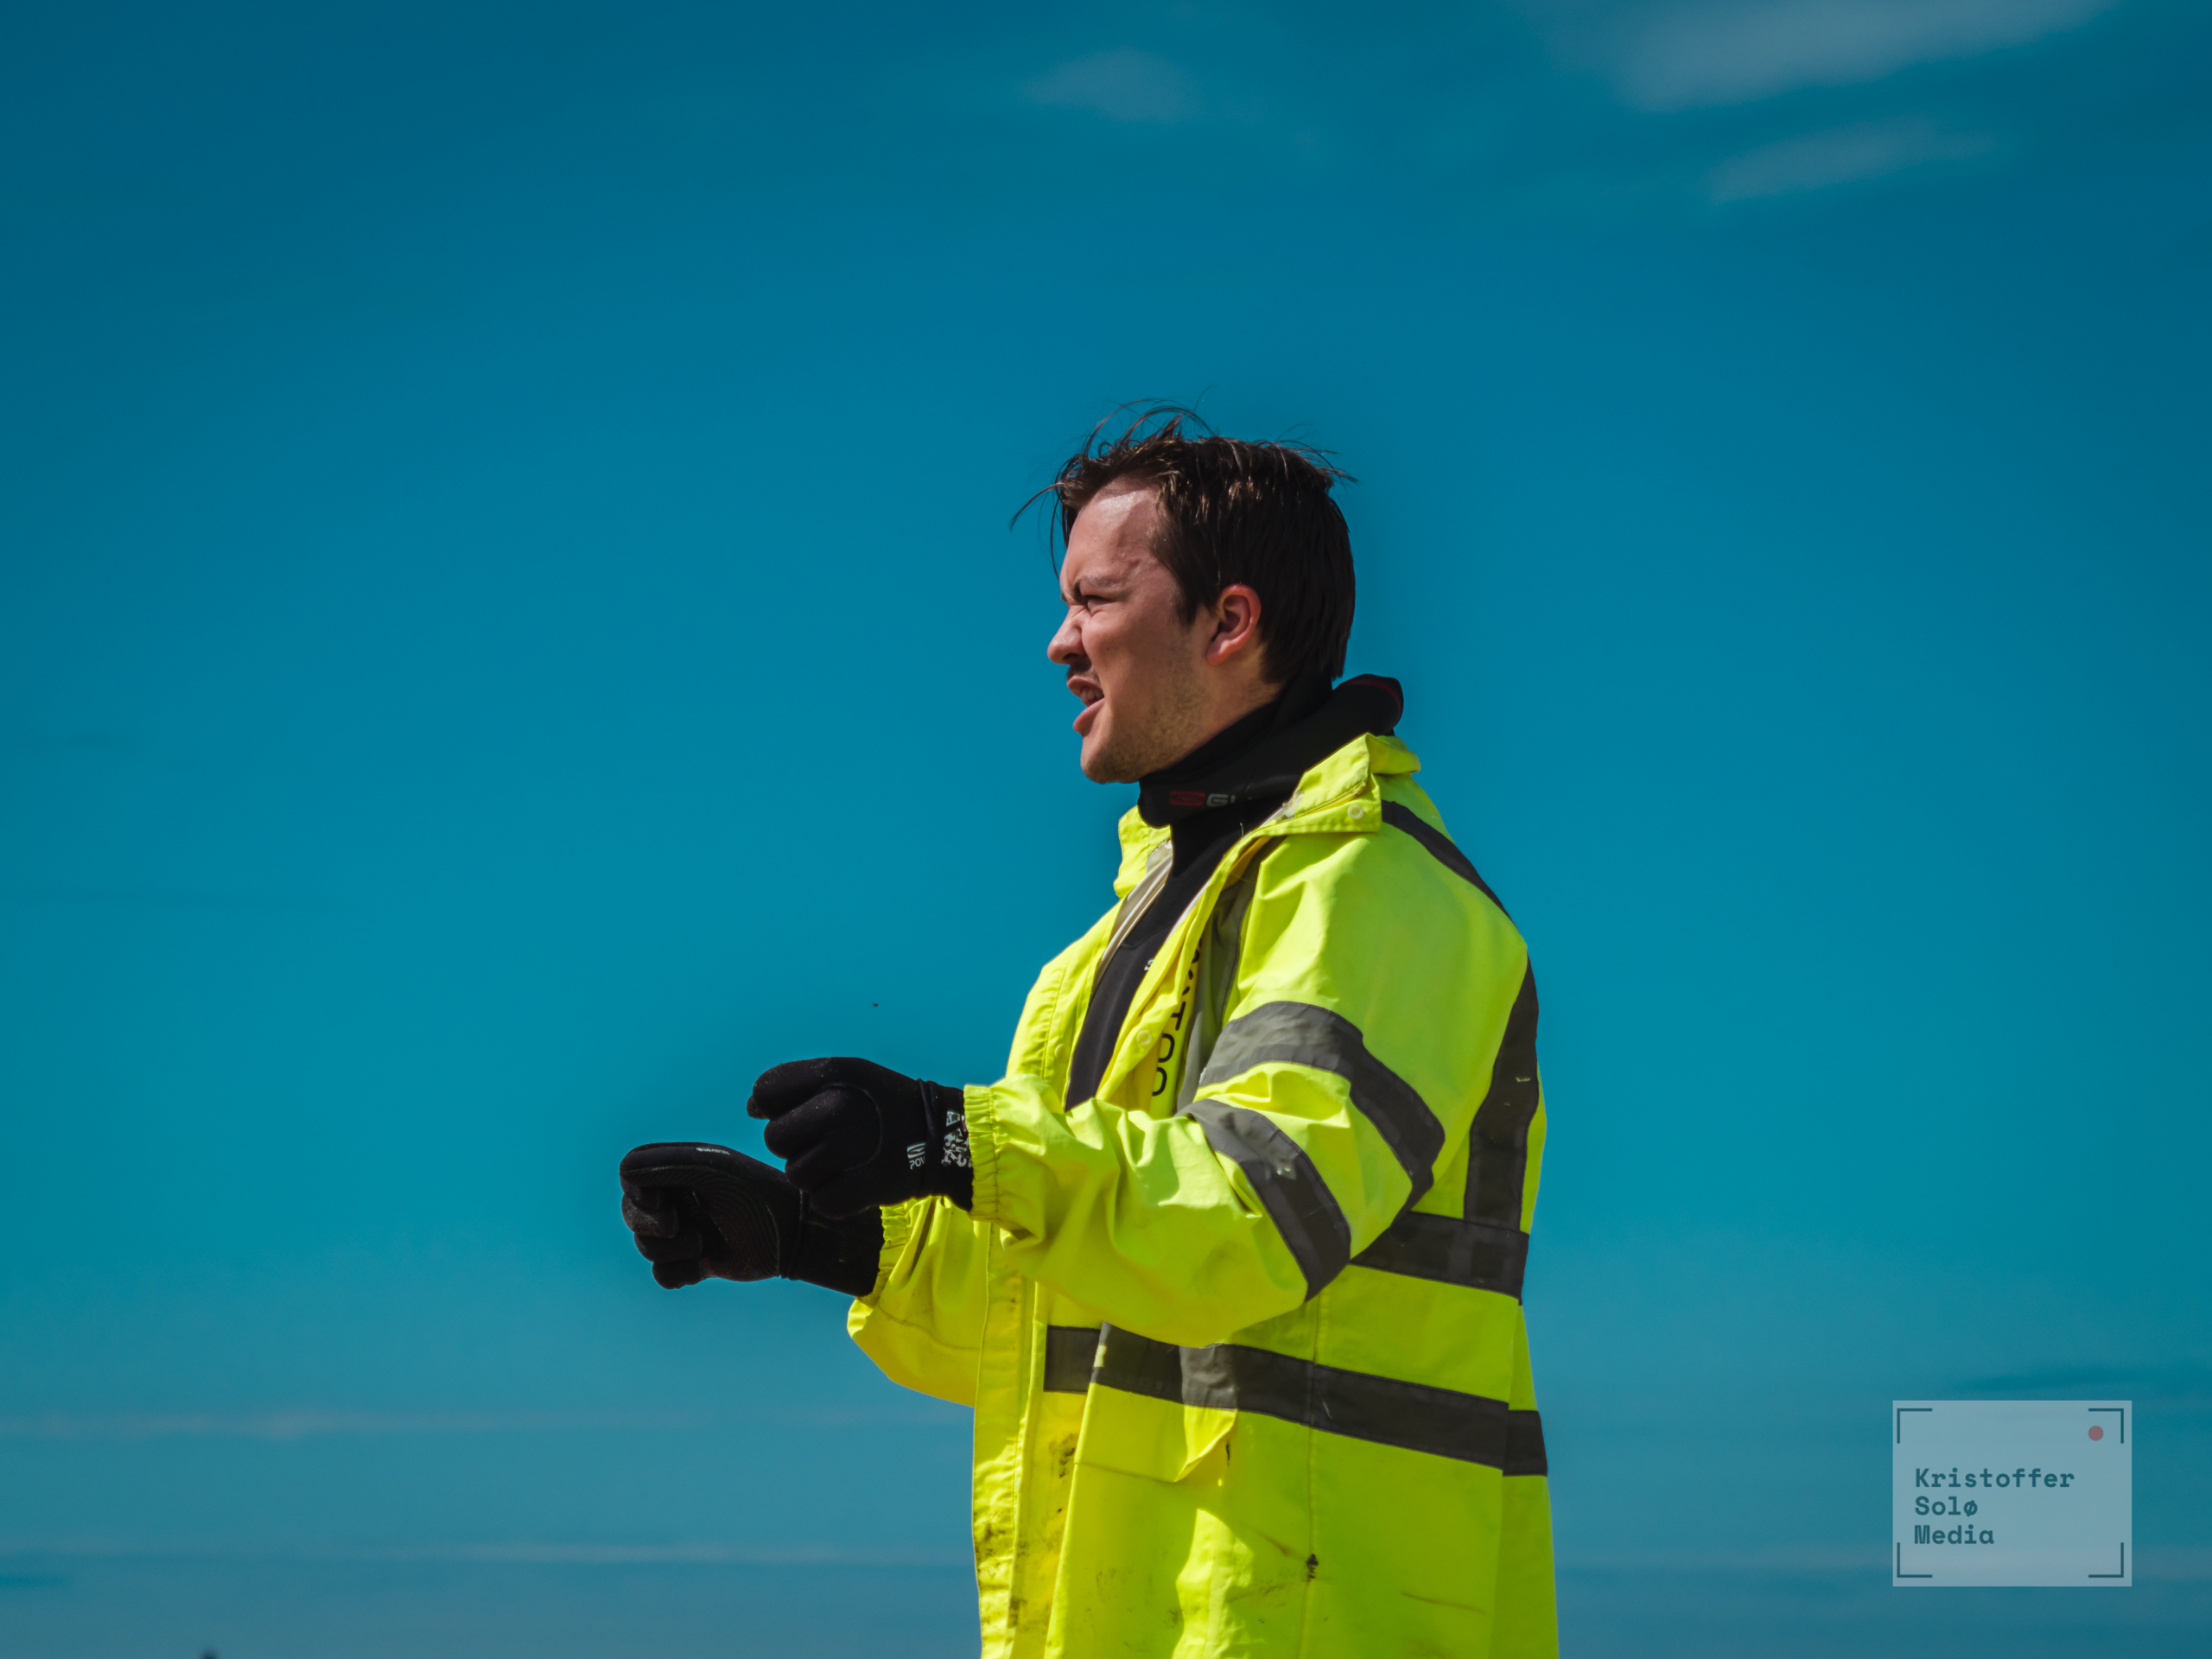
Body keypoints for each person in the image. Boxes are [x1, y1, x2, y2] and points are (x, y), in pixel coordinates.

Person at [619, 415, 1557, 1657]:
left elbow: (1249, 1218)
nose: (1061, 643)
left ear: (1229, 622)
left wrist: (951, 1137)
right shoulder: (1118, 944)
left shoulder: (1372, 892)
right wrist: (817, 1238)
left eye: (1096, 601)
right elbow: (1060, 1308)